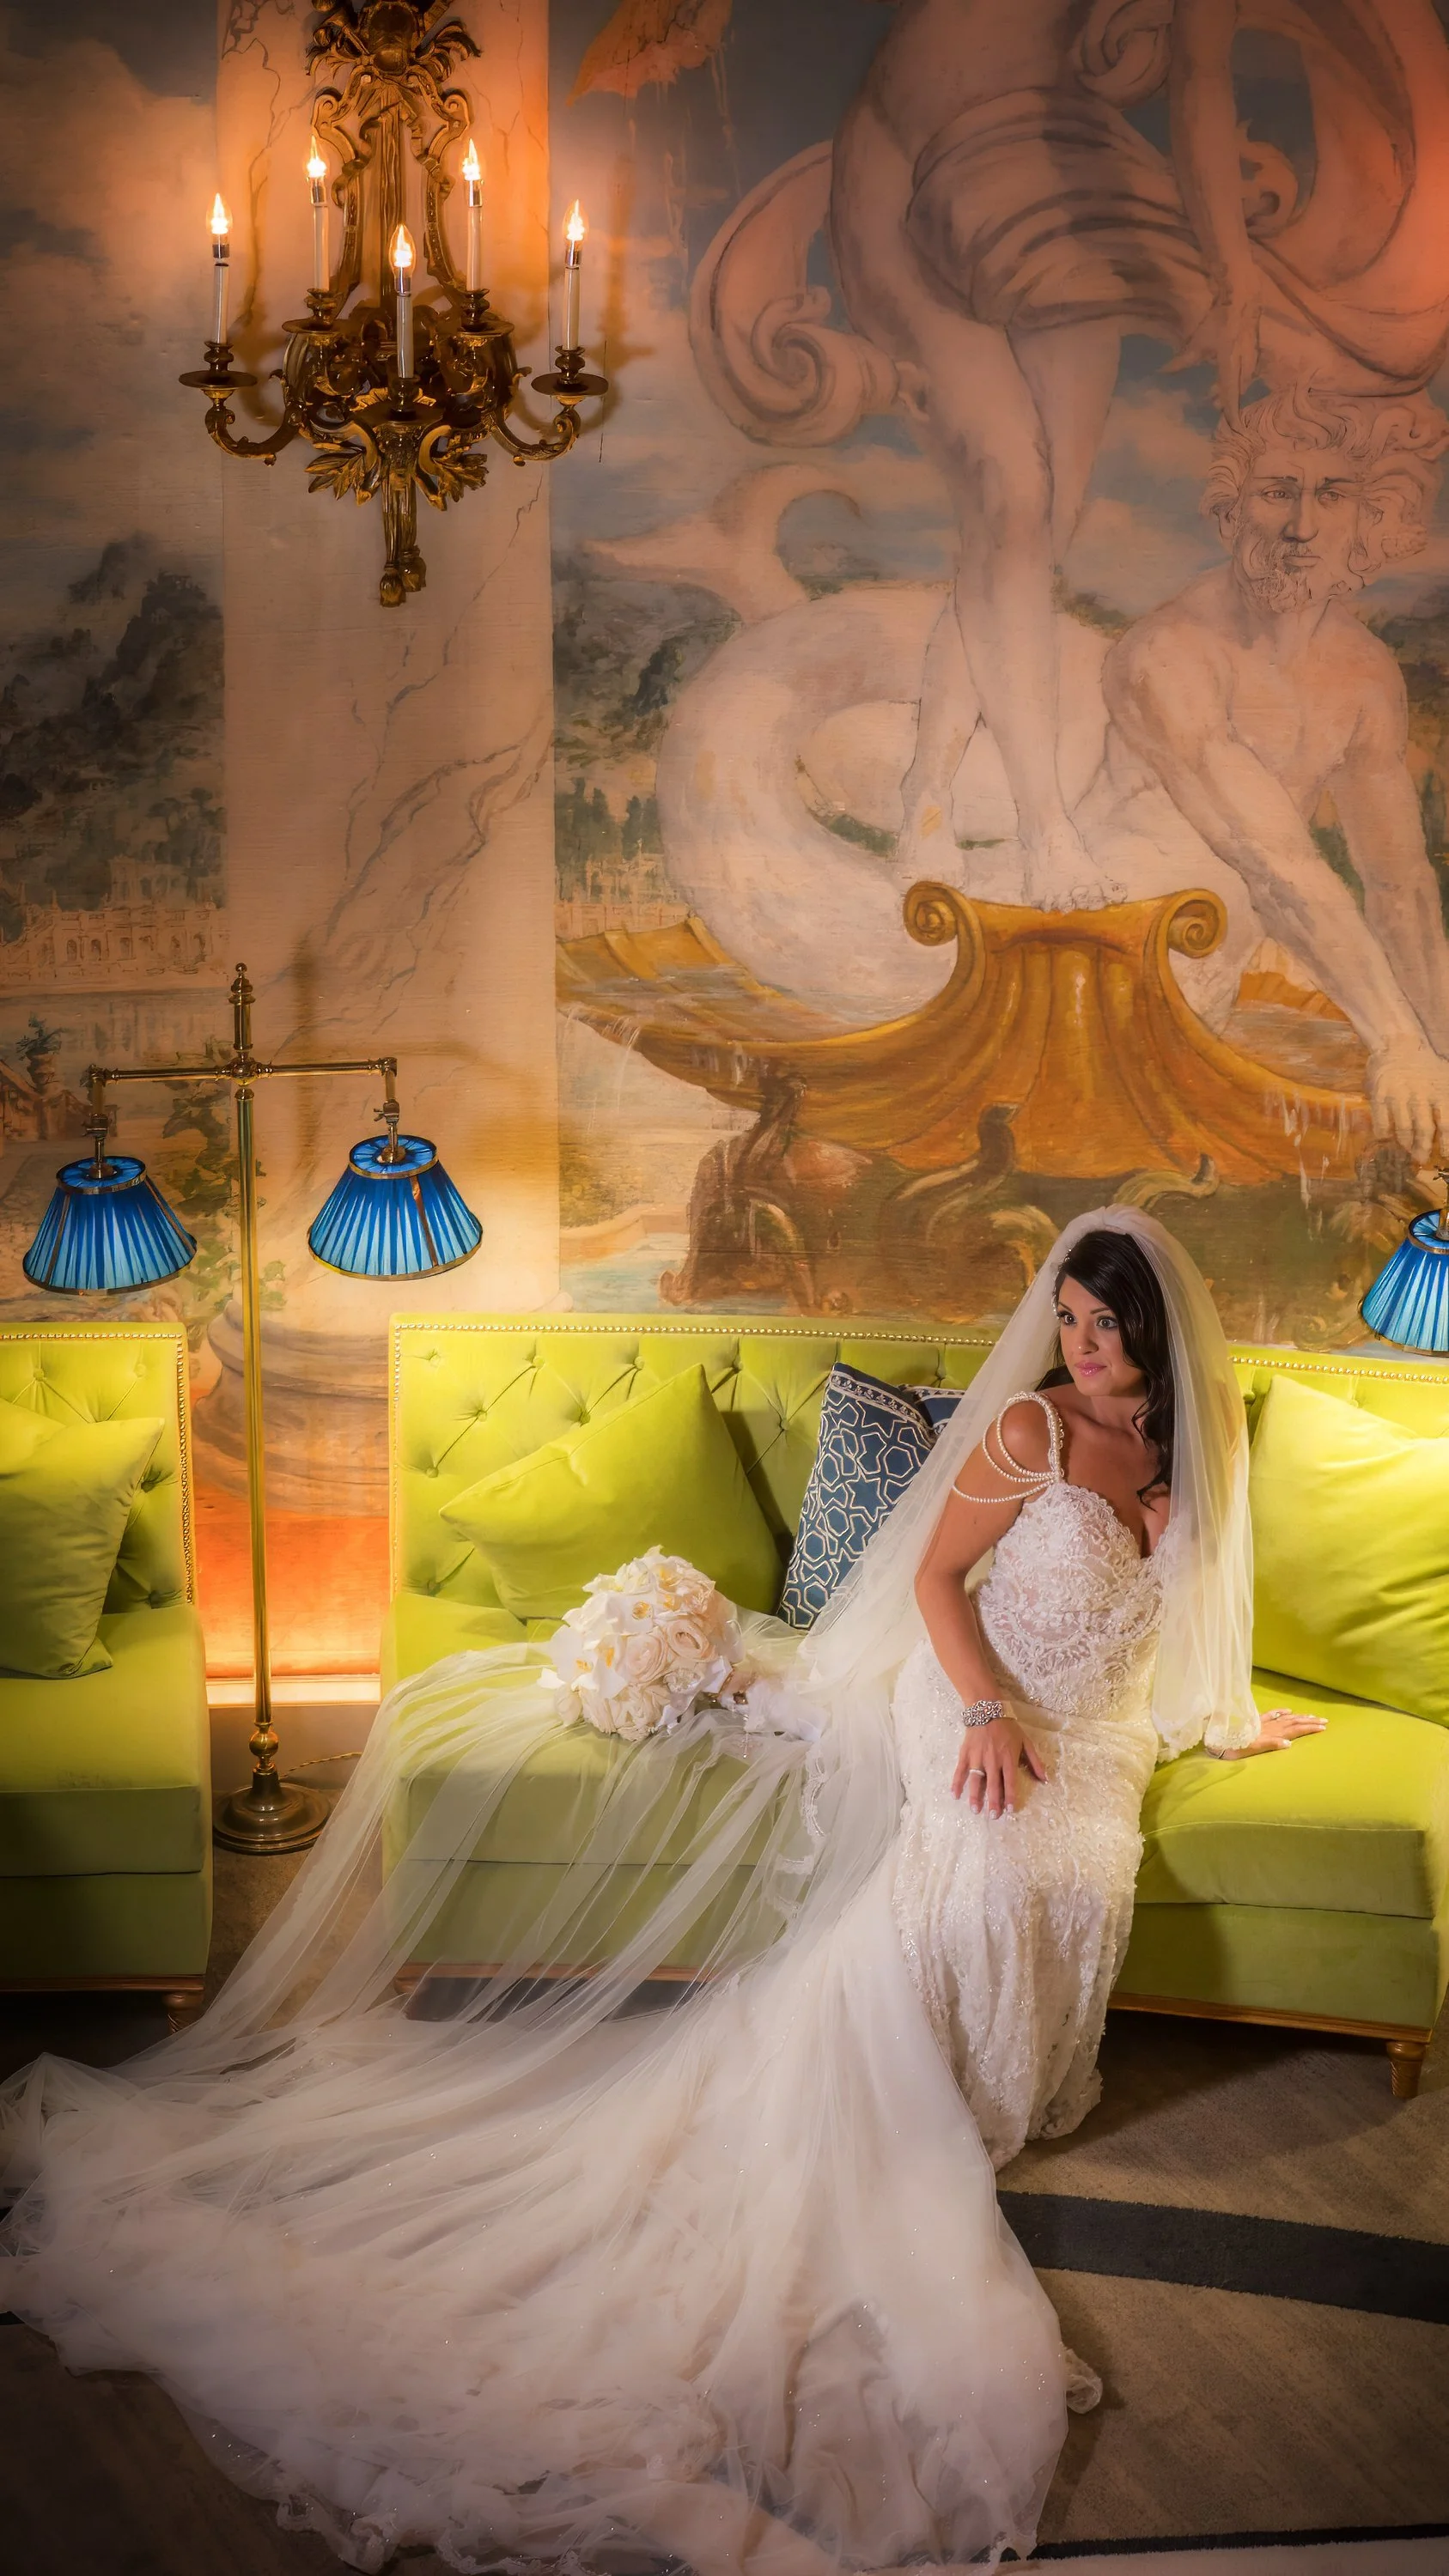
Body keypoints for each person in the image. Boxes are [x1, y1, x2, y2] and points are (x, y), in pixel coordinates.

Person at [1, 1210, 1317, 2575]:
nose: (1084, 1349)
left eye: (1108, 1328)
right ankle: (909, 2082)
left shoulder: (1191, 1441)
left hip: (1092, 1735)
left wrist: (1218, 1718)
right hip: (974, 1703)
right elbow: (934, 1580)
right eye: (1067, 1322)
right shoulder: (1029, 1434)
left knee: (1078, 1870)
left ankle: (981, 2072)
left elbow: (1177, 1616)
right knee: (991, 1859)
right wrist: (983, 1713)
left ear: (1156, 1334)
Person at [1092, 383, 1449, 1163]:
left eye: (1333, 494)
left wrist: (1436, 1047)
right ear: (1230, 510)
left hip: (1217, 978)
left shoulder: (1361, 672)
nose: (1301, 525)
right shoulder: (1167, 655)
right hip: (1105, 976)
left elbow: (1397, 882)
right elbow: (1274, 861)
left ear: (1370, 517)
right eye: (1276, 493)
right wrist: (1394, 1039)